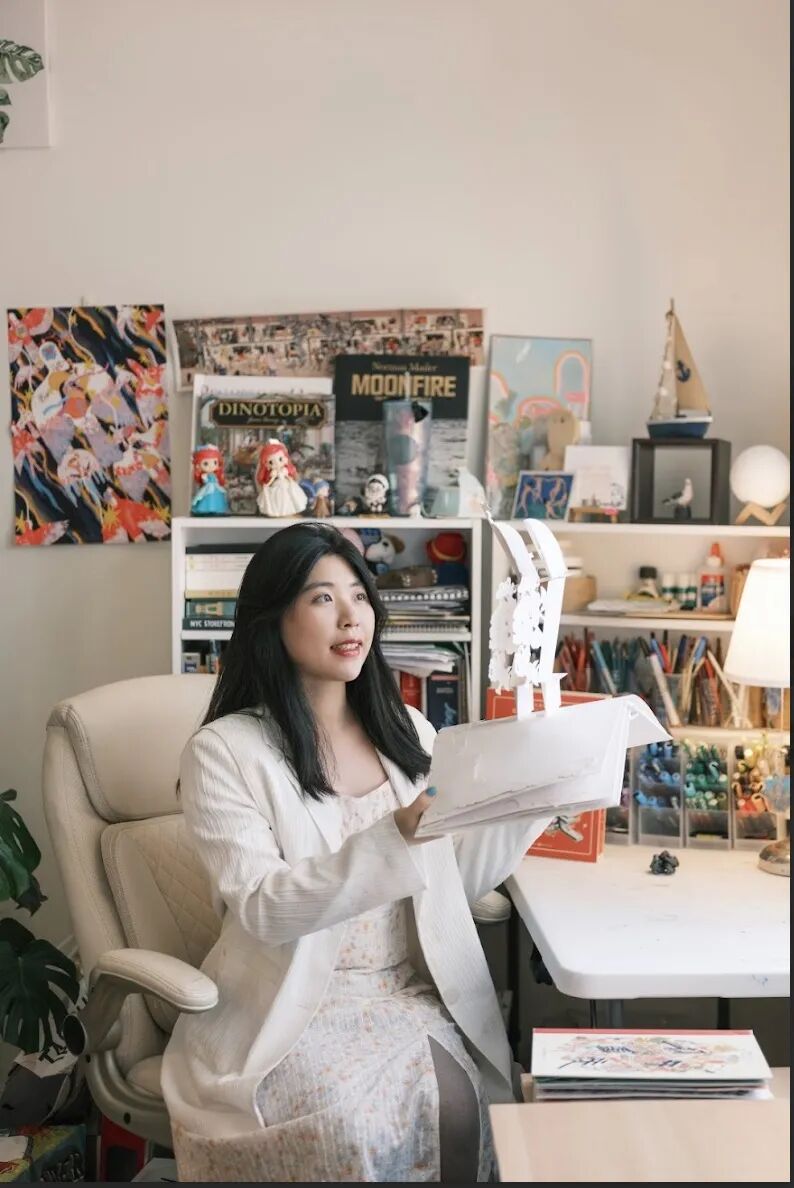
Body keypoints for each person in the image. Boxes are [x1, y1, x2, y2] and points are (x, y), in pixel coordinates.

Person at [161, 522, 550, 1183]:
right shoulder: (224, 752)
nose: (351, 617)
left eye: (360, 596)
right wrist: (394, 835)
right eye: (322, 598)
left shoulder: (409, 732)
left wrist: (531, 806)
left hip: (405, 992)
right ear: (271, 619)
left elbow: (450, 884)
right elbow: (263, 909)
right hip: (292, 1005)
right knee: (352, 1127)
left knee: (462, 1112)